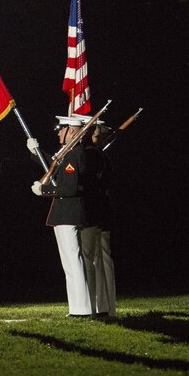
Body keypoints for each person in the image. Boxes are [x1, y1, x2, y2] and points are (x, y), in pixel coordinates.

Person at [29, 114, 99, 317]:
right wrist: (36, 152)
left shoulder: (73, 155)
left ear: (73, 131)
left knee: (73, 264)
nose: (59, 133)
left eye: (62, 129)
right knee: (75, 264)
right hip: (71, 213)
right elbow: (52, 164)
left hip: (68, 214)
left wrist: (45, 190)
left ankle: (80, 310)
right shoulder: (73, 153)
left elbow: (68, 188)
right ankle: (82, 308)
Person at [85, 124, 116, 318]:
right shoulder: (99, 156)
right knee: (100, 259)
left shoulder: (97, 156)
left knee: (101, 259)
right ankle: (104, 306)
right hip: (100, 210)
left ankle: (104, 306)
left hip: (98, 211)